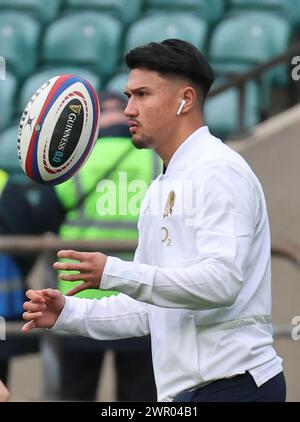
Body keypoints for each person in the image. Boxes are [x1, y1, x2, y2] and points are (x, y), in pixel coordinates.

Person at [22, 39, 286, 402]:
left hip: (234, 387)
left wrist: (113, 273)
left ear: (186, 100)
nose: (129, 109)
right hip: (190, 394)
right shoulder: (162, 184)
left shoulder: (220, 171)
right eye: (129, 95)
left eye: (142, 94)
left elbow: (222, 283)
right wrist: (69, 313)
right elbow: (151, 309)